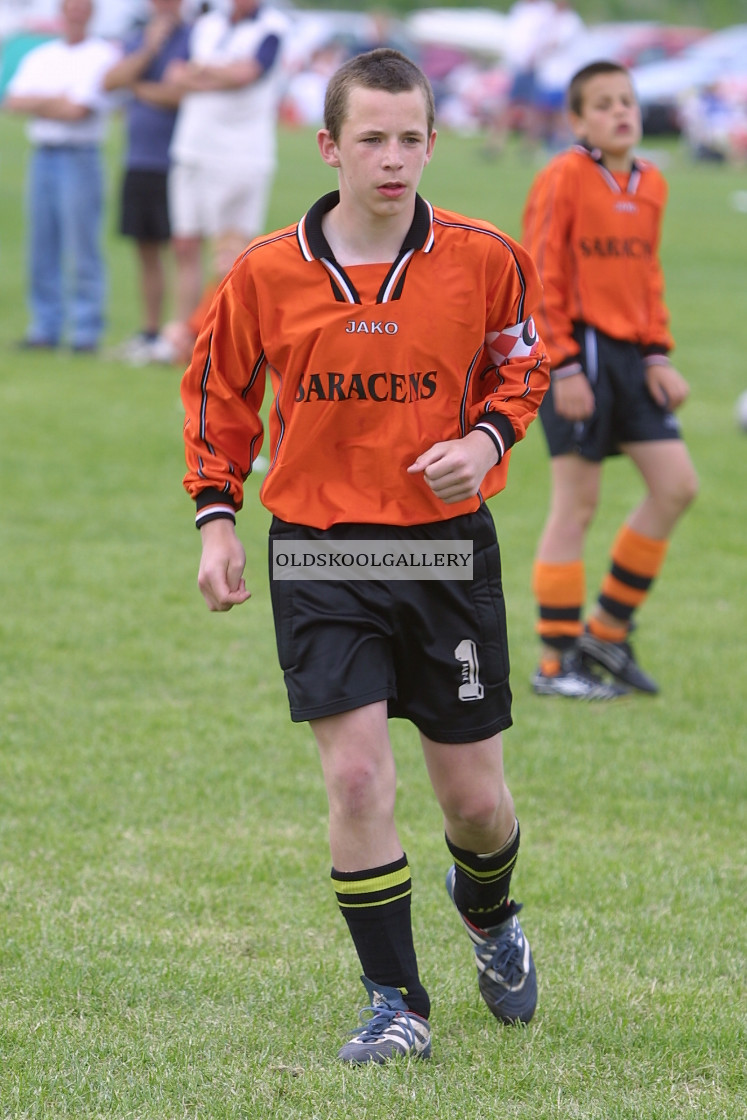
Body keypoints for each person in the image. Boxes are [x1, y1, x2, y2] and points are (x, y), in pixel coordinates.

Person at [181, 48, 549, 1063]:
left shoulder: (486, 258)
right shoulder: (265, 270)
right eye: (373, 139)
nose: (394, 159)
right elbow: (219, 394)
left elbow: (523, 365)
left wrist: (485, 441)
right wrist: (216, 517)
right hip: (321, 552)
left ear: (433, 141)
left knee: (473, 804)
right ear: (329, 145)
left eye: (410, 138)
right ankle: (398, 1001)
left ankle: (490, 913)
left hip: (442, 556)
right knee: (356, 781)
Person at [521, 60, 698, 700]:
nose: (620, 111)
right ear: (577, 120)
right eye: (603, 104)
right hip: (581, 354)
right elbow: (539, 273)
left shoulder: (652, 182)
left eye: (627, 100)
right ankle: (555, 661)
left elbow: (646, 274)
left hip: (632, 358)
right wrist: (562, 365)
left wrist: (658, 353)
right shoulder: (563, 177)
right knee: (578, 504)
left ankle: (606, 632)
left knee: (677, 486)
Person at [3, 0, 120, 352]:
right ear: (62, 11)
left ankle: (86, 329)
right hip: (43, 155)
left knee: (82, 243)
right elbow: (13, 100)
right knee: (42, 244)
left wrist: (42, 101)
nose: (75, 12)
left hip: (80, 156)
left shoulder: (102, 55)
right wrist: (56, 100)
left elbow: (78, 109)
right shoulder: (43, 55)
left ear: (91, 12)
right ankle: (46, 326)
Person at [165, 0, 288, 331]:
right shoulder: (206, 24)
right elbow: (175, 73)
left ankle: (217, 335)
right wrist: (218, 73)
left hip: (240, 153)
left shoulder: (271, 28)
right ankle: (182, 331)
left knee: (229, 254)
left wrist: (200, 71)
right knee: (185, 243)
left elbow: (247, 74)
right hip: (191, 147)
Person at [102, 0, 191, 364]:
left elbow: (178, 95)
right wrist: (150, 49)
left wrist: (138, 87)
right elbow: (111, 80)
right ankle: (149, 331)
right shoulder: (140, 38)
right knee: (146, 250)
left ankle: (178, 334)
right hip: (139, 160)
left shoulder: (193, 39)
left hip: (178, 161)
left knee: (181, 249)